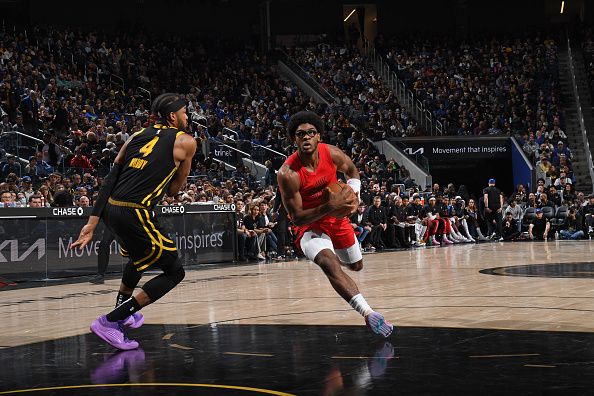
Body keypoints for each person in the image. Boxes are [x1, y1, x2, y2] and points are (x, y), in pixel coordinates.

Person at [71, 93, 197, 350]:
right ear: (173, 116)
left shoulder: (134, 137)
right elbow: (173, 190)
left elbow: (110, 180)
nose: (188, 117)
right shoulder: (186, 142)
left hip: (111, 210)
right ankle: (111, 321)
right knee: (174, 271)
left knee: (138, 260)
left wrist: (91, 223)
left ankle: (124, 311)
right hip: (136, 211)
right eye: (185, 112)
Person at [277, 111, 393, 338]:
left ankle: (336, 258)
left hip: (337, 220)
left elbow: (352, 171)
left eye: (311, 132)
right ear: (295, 140)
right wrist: (330, 205)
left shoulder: (331, 152)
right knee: (329, 264)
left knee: (356, 266)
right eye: (301, 134)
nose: (306, 137)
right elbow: (297, 217)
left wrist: (354, 194)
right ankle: (369, 314)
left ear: (318, 136)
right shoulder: (288, 173)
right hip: (309, 226)